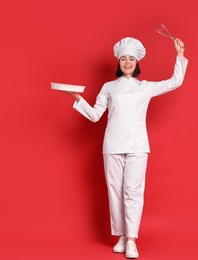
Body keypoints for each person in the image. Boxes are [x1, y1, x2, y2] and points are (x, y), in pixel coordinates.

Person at [65, 36, 187, 258]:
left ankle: (131, 239)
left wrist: (179, 55)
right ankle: (122, 235)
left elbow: (175, 82)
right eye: (124, 59)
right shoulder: (109, 87)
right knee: (115, 191)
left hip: (138, 146)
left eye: (131, 59)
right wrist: (76, 97)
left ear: (137, 63)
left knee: (133, 192)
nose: (127, 62)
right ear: (119, 63)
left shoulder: (145, 87)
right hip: (111, 145)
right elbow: (94, 115)